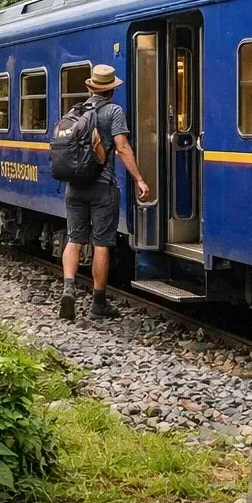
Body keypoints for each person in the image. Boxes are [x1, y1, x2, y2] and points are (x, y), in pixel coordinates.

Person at [60, 63, 150, 321]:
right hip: (103, 187)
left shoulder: (76, 110)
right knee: (101, 244)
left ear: (91, 87)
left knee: (74, 239)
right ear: (111, 90)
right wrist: (139, 179)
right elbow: (122, 148)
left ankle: (68, 288)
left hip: (74, 187)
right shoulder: (114, 111)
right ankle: (98, 302)